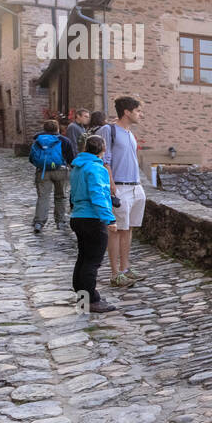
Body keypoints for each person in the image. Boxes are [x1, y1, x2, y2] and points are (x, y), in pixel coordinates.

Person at [69, 134, 117, 313]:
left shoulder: (77, 167)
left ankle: (83, 298)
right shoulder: (97, 169)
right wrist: (109, 218)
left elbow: (73, 194)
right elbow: (97, 195)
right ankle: (91, 300)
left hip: (78, 217)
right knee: (92, 262)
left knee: (83, 258)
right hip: (92, 218)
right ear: (102, 150)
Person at [101, 96, 145, 287]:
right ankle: (115, 273)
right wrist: (112, 186)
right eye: (137, 111)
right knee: (116, 230)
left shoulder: (129, 133)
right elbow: (104, 160)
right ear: (127, 112)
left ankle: (126, 268)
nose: (140, 114)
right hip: (119, 186)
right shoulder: (108, 130)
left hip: (135, 186)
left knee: (129, 229)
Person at [29, 120, 76, 233]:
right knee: (60, 196)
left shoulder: (37, 141)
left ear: (44, 129)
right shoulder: (64, 140)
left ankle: (39, 223)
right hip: (61, 171)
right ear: (57, 129)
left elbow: (31, 158)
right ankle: (60, 222)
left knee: (43, 197)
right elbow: (71, 158)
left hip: (43, 171)